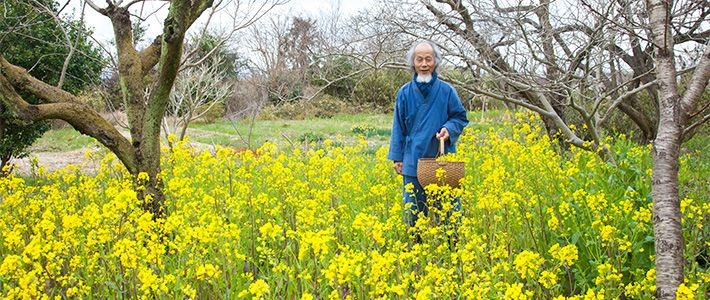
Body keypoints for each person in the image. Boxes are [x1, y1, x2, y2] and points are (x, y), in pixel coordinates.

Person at [388, 40, 469, 236]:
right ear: (413, 63)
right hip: (413, 160)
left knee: (450, 211)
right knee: (414, 212)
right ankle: (417, 254)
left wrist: (449, 129)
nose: (424, 64)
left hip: (441, 159)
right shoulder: (405, 92)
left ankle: (454, 251)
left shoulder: (447, 91)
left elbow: (460, 117)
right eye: (419, 59)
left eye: (428, 59)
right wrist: (398, 157)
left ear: (435, 62)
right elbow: (398, 126)